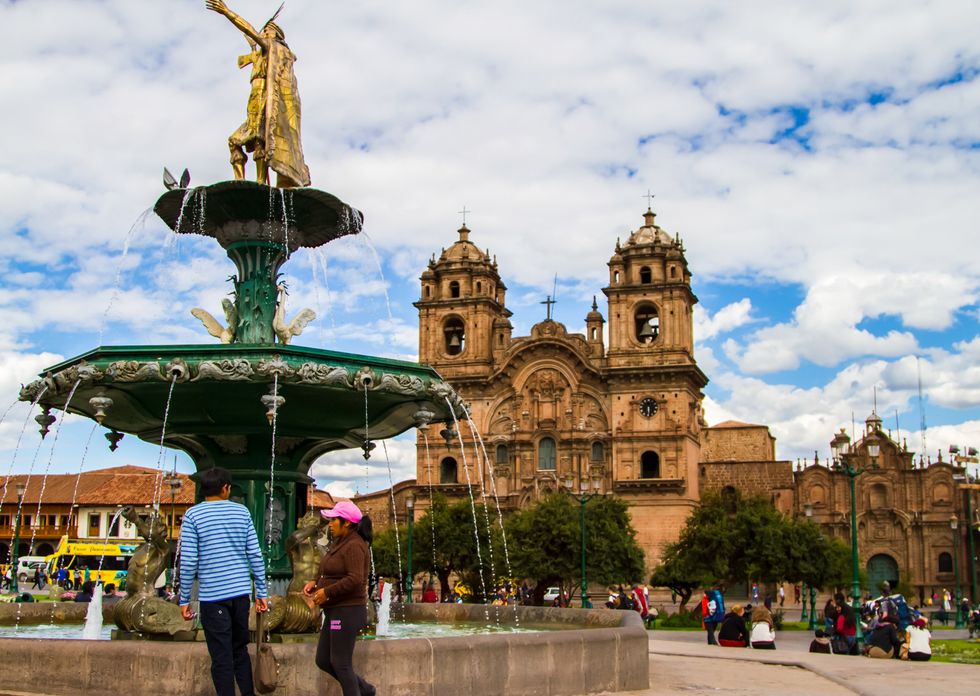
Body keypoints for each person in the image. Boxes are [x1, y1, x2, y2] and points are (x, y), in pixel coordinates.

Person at [179, 467, 269, 696]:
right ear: (225, 488)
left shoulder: (193, 515)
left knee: (221, 656)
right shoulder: (242, 513)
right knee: (240, 651)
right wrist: (261, 593)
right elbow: (255, 555)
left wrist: (185, 598)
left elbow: (189, 560)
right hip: (240, 596)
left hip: (213, 598)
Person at [206, 0, 311, 188]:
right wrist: (253, 49)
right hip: (253, 100)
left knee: (260, 138)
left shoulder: (274, 48)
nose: (263, 35)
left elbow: (250, 30)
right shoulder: (262, 54)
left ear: (274, 35)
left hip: (264, 98)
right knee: (234, 141)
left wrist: (227, 12)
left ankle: (261, 183)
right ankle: (239, 183)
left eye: (266, 32)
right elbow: (247, 53)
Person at [305, 500, 376, 696]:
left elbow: (355, 579)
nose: (330, 523)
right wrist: (315, 582)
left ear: (347, 523)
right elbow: (329, 570)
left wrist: (326, 592)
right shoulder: (340, 542)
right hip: (336, 611)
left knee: (340, 663)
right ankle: (366, 689)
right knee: (323, 660)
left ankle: (362, 691)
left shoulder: (355, 545)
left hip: (347, 611)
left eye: (334, 520)